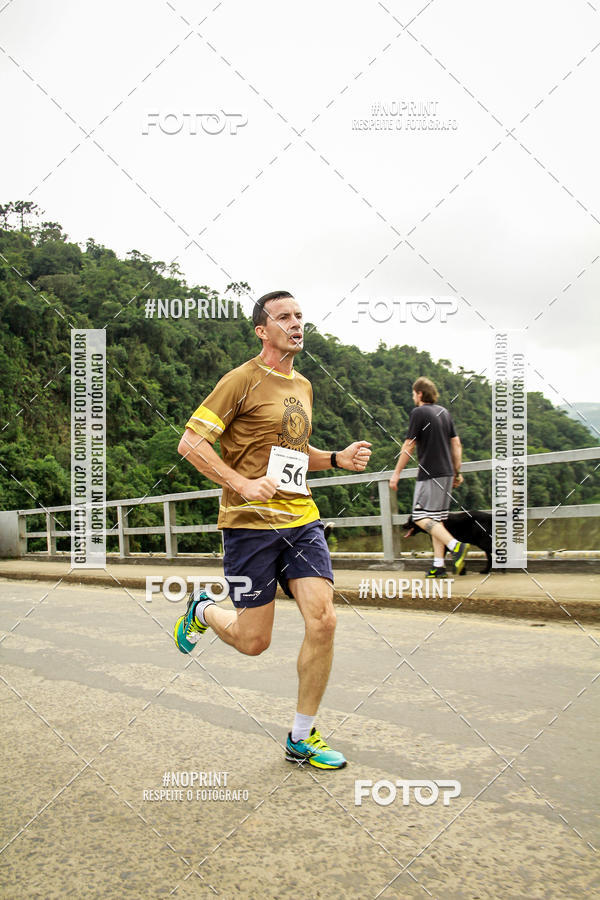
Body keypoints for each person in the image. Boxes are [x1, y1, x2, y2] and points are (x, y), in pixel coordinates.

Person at [174, 290, 372, 769]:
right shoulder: (240, 380)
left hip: (301, 520)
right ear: (262, 331)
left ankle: (301, 737)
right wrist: (240, 483)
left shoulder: (303, 385)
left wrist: (336, 459)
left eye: (300, 316)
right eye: (284, 317)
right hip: (249, 527)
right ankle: (203, 610)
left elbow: (293, 453)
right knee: (253, 642)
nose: (296, 323)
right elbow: (191, 443)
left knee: (324, 620)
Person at [389, 377, 469, 577]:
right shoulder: (444, 412)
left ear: (419, 393)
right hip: (447, 473)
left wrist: (396, 473)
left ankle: (455, 546)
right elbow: (456, 444)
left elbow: (409, 445)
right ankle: (439, 566)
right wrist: (457, 471)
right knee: (436, 520)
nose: (413, 397)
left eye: (413, 394)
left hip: (430, 473)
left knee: (419, 516)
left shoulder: (419, 412)